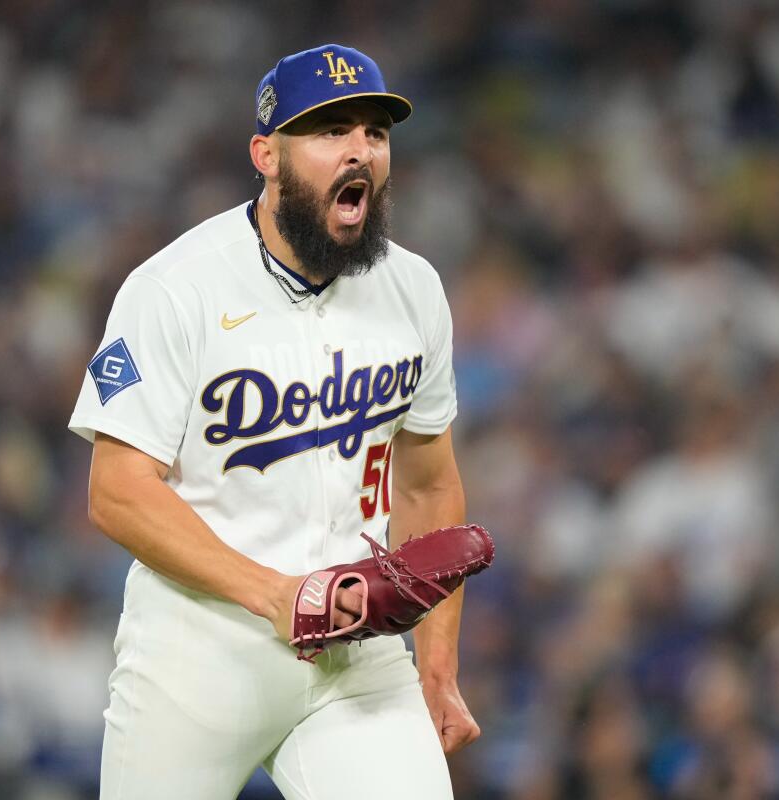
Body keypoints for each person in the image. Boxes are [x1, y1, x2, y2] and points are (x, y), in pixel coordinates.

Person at [68, 44, 478, 799]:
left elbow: (428, 488)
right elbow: (117, 490)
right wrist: (273, 593)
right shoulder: (174, 288)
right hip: (200, 647)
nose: (359, 149)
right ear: (266, 154)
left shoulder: (414, 288)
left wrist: (437, 660)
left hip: (360, 652)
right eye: (329, 130)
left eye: (375, 133)